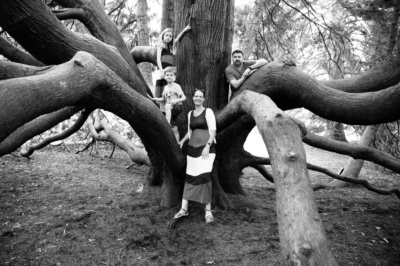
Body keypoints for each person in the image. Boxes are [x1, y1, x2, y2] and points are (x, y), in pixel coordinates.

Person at [174, 89, 217, 224]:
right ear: (192, 98)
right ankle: (184, 208)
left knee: (205, 177)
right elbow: (190, 131)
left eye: (200, 96)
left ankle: (208, 210)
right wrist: (182, 141)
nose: (198, 98)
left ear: (204, 99)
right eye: (196, 96)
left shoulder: (208, 111)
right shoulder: (190, 114)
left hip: (206, 148)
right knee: (190, 176)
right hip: (192, 149)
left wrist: (207, 146)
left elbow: (214, 130)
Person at [155, 26, 191, 112]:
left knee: (169, 88)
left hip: (170, 69)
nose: (168, 37)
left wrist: (184, 30)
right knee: (163, 87)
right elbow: (158, 59)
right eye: (166, 35)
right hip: (163, 69)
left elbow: (177, 38)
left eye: (170, 36)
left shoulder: (171, 46)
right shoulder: (161, 44)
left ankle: (169, 106)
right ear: (163, 35)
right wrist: (161, 70)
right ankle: (162, 108)